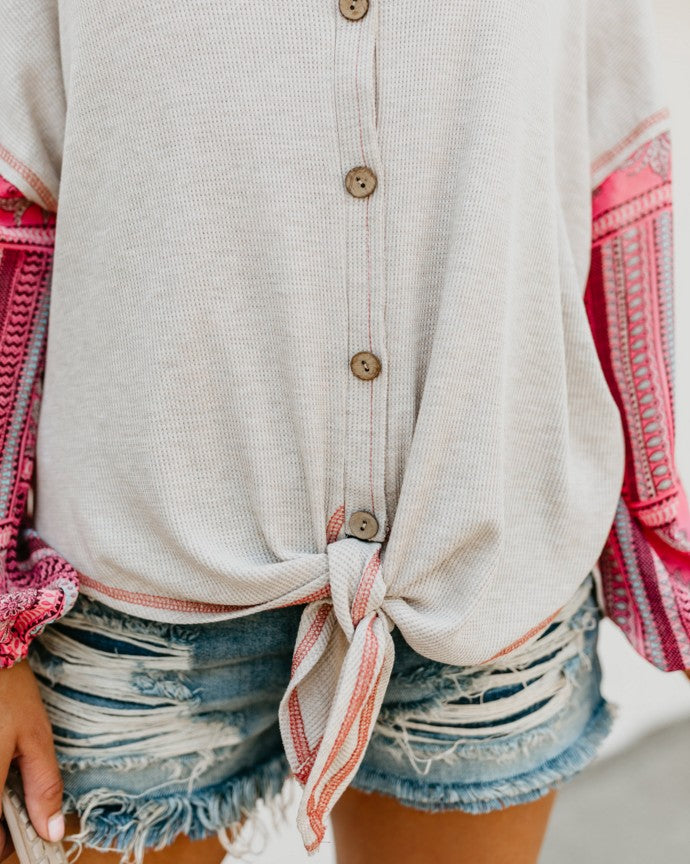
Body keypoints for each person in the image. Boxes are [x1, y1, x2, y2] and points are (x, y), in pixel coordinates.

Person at [1, 2, 689, 863]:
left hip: (483, 578)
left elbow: (618, 184)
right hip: (130, 594)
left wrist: (658, 537)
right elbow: (13, 211)